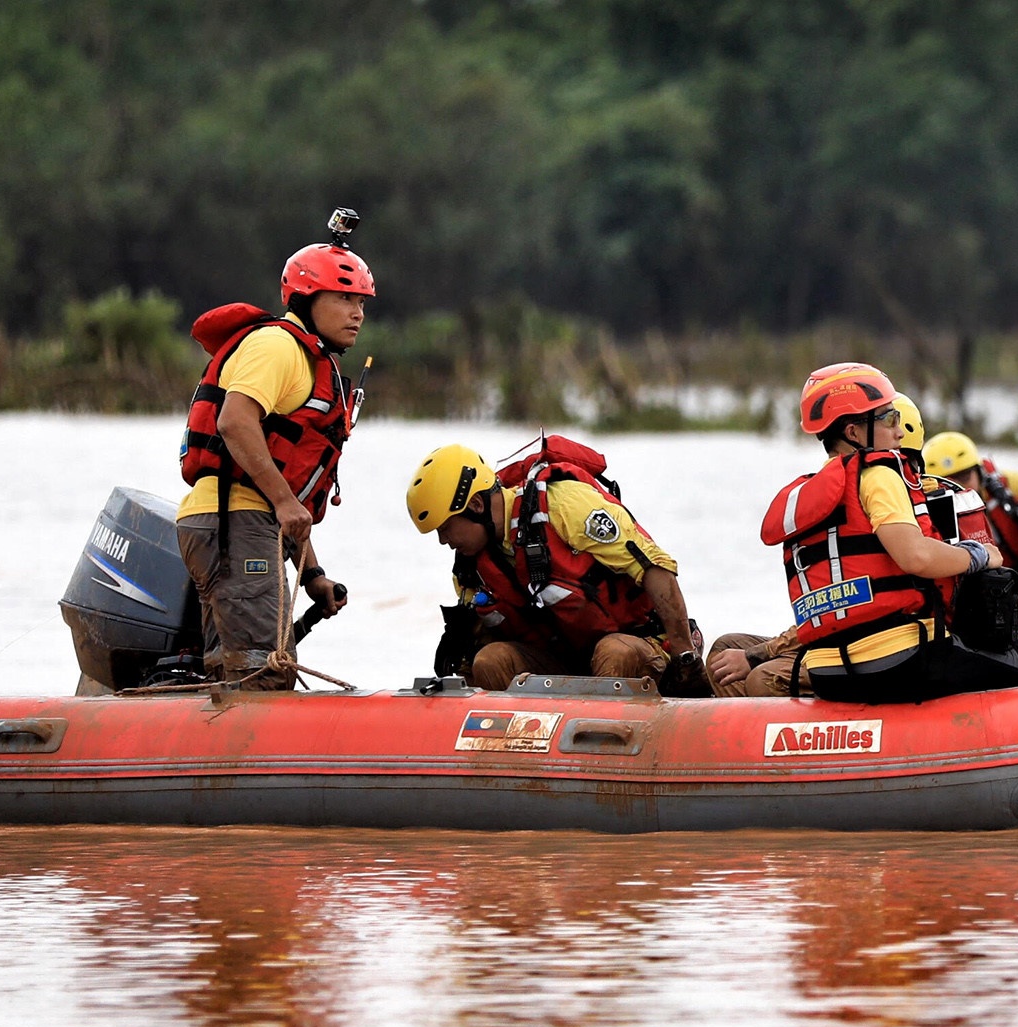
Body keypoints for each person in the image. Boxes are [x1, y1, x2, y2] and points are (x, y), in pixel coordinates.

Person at [761, 363, 1018, 704]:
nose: (899, 431)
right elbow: (916, 556)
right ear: (854, 432)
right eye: (889, 418)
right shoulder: (879, 476)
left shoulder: (808, 494)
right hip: (901, 659)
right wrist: (980, 555)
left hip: (826, 672)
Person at [174, 212, 368, 689]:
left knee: (234, 677)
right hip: (234, 523)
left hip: (238, 523)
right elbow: (235, 422)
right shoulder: (277, 345)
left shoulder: (307, 358)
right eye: (344, 298)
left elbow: (287, 499)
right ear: (305, 298)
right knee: (263, 679)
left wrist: (313, 574)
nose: (357, 312)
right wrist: (283, 501)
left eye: (361, 301)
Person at [407, 437, 709, 695]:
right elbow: (478, 645)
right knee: (490, 660)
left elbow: (657, 568)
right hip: (564, 658)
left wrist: (686, 658)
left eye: (445, 528)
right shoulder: (470, 570)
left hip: (639, 645)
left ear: (475, 506)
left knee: (613, 653)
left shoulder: (564, 505)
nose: (443, 541)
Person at [707, 391, 932, 699]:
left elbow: (850, 609)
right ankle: (738, 739)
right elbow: (834, 607)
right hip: (842, 632)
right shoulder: (849, 492)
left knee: (761, 676)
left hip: (887, 640)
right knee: (725, 646)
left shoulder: (908, 507)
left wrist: (759, 654)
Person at [922, 431, 1018, 584]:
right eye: (945, 482)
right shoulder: (925, 515)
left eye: (964, 476)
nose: (958, 487)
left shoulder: (1013, 485)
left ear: (979, 472)